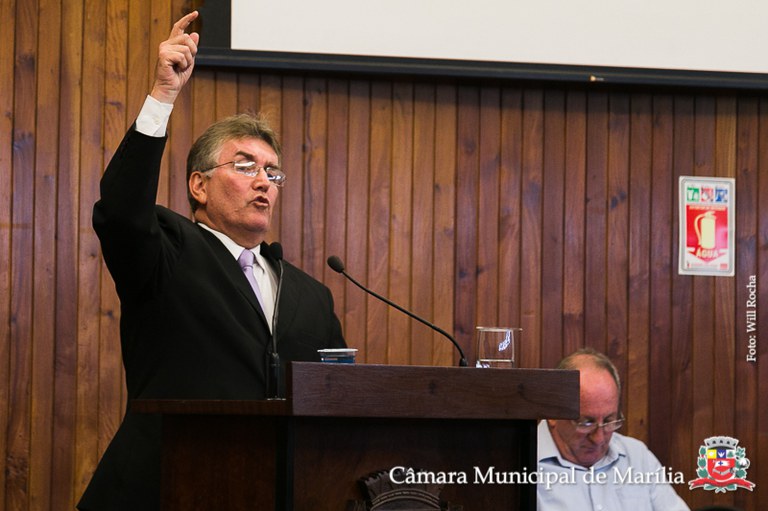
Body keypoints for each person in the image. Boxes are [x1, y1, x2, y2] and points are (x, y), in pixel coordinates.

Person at [77, 11, 346, 510]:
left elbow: (337, 395)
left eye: (272, 173)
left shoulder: (312, 295)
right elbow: (121, 210)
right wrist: (163, 95)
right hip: (162, 489)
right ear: (198, 185)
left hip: (273, 492)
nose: (263, 181)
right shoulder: (168, 251)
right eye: (245, 166)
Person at [537, 348, 690, 510]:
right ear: (553, 414)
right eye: (586, 423)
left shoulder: (637, 457)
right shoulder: (524, 466)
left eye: (609, 421)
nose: (599, 439)